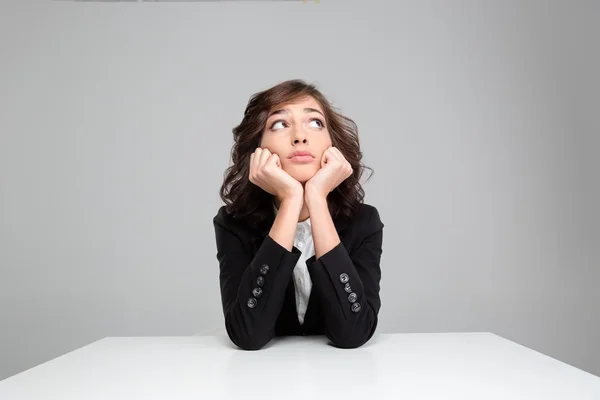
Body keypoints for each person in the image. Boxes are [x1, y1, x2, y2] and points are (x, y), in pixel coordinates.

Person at [213, 79, 384, 350]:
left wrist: (316, 198)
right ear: (258, 148)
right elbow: (248, 335)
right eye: (279, 124)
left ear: (333, 143)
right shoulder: (233, 224)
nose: (300, 136)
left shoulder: (363, 223)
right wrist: (291, 200)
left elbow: (354, 333)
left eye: (315, 123)